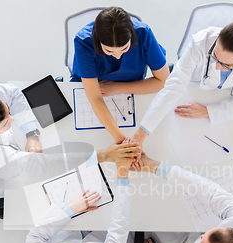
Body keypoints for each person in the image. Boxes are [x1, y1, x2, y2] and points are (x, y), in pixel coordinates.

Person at [0, 82, 141, 199]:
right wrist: (106, 155)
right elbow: (52, 164)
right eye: (5, 122)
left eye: (8, 111)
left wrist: (32, 135)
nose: (13, 119)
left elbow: (15, 94)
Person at [133, 20, 233, 151]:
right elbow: (174, 85)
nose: (217, 67)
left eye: (227, 65)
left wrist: (209, 112)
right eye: (215, 56)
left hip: (225, 99)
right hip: (195, 89)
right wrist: (143, 131)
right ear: (219, 35)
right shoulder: (200, 42)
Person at [25, 150, 134, 243]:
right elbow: (118, 230)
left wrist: (70, 210)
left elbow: (36, 236)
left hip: (69, 231)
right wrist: (122, 175)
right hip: (102, 239)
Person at [71, 6, 170, 142]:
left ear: (132, 36)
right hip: (91, 92)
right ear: (97, 41)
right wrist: (122, 140)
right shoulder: (84, 42)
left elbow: (164, 81)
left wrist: (117, 88)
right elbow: (94, 97)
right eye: (109, 51)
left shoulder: (143, 33)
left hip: (132, 91)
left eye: (124, 49)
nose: (117, 56)